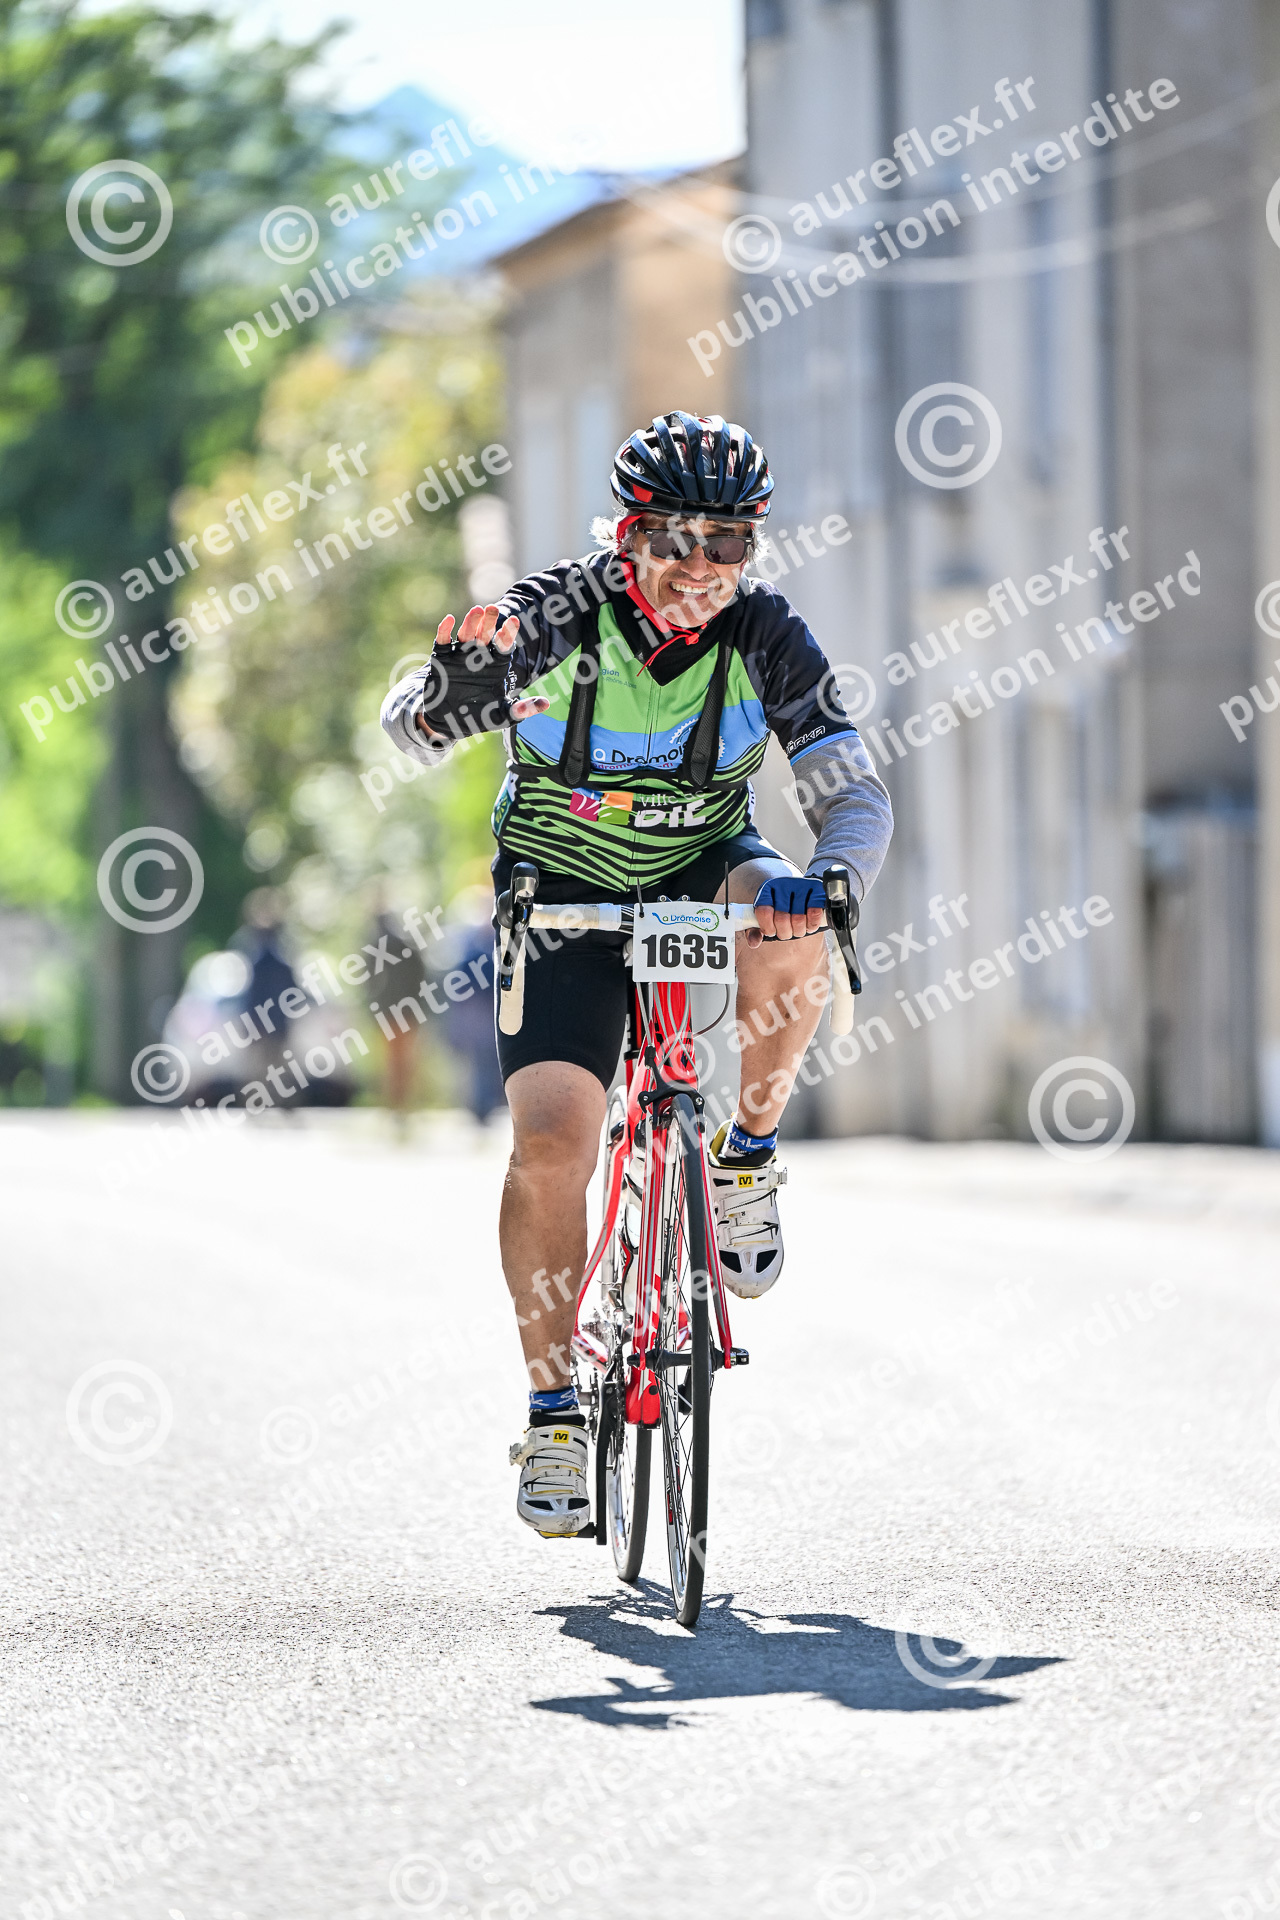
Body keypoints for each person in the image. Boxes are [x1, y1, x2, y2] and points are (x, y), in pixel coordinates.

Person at [383, 411, 892, 1536]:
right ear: (625, 537)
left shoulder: (767, 635)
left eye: (728, 542)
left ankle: (744, 1155)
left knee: (793, 917)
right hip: (560, 886)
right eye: (673, 539)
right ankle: (555, 1415)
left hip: (701, 864)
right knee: (553, 1144)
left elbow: (853, 794)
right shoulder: (553, 613)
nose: (700, 567)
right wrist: (448, 694)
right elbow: (410, 727)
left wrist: (835, 874)